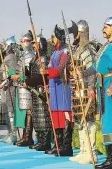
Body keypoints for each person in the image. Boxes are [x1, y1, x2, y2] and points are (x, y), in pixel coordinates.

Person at [82, 16, 112, 169]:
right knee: (108, 125)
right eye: (104, 26)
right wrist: (82, 73)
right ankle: (111, 159)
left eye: (107, 26)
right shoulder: (106, 47)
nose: (104, 28)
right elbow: (96, 67)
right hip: (104, 89)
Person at [40, 25, 73, 156]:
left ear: (59, 38)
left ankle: (66, 145)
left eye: (53, 37)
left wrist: (47, 72)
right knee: (56, 116)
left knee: (64, 115)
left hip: (63, 88)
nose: (51, 39)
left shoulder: (65, 52)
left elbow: (61, 69)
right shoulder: (54, 52)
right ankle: (58, 145)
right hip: (55, 89)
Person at [70, 20, 98, 165]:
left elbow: (93, 70)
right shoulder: (77, 49)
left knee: (89, 120)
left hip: (86, 89)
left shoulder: (88, 49)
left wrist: (91, 88)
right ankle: (83, 150)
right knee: (80, 120)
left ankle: (91, 152)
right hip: (78, 90)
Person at [23, 35, 52, 151]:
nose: (34, 45)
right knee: (37, 117)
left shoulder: (43, 58)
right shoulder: (35, 58)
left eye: (36, 43)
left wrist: (28, 81)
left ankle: (45, 142)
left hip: (41, 90)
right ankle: (39, 140)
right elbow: (33, 73)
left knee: (43, 117)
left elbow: (41, 76)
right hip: (35, 91)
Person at [10, 31, 35, 147]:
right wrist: (13, 74)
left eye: (25, 41)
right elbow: (20, 70)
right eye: (23, 41)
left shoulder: (30, 55)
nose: (23, 43)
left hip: (27, 87)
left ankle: (28, 137)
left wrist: (18, 76)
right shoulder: (23, 55)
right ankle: (26, 136)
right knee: (26, 113)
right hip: (21, 86)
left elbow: (29, 73)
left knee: (30, 112)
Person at [0, 35, 19, 144]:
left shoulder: (11, 57)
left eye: (6, 45)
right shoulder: (7, 57)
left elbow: (12, 74)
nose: (4, 47)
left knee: (10, 111)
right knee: (6, 111)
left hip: (9, 86)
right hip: (5, 87)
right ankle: (9, 132)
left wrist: (3, 83)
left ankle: (14, 134)